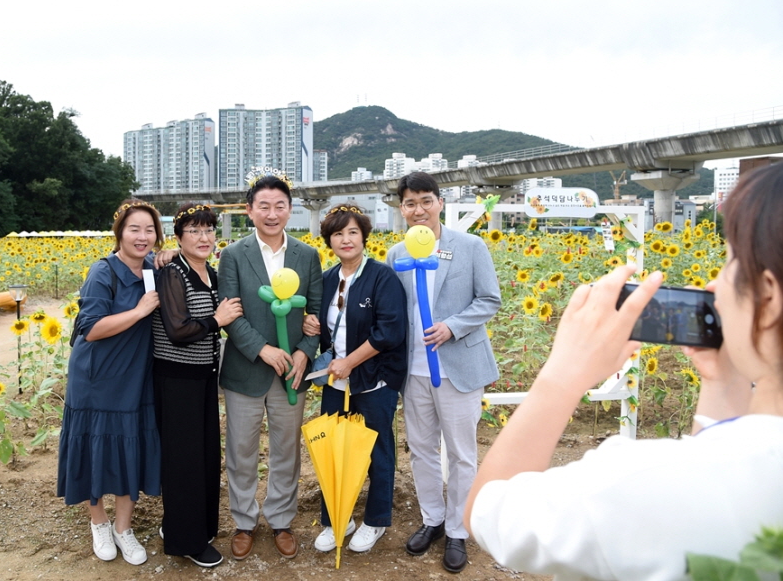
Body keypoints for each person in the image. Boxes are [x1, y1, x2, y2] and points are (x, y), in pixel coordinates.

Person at [465, 162, 783, 580]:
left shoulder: (640, 487)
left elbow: (489, 509)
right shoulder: (724, 476)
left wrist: (563, 375)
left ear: (767, 296)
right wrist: (725, 381)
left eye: (729, 261)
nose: (716, 286)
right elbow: (728, 465)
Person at [385, 171, 501, 574]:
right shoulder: (396, 253)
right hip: (413, 372)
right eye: (410, 203)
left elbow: (490, 299)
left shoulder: (469, 246)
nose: (419, 210)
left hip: (458, 367)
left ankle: (458, 530)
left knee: (462, 453)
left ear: (440, 203)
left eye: (426, 201)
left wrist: (453, 325)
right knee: (421, 449)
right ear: (402, 209)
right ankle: (432, 519)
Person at [218, 173, 323, 561]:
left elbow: (315, 312)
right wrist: (262, 349)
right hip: (246, 370)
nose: (272, 213)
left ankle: (280, 518)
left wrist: (303, 352)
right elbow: (229, 313)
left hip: (291, 372)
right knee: (241, 449)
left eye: (280, 206)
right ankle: (244, 521)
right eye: (263, 206)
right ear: (249, 210)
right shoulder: (233, 255)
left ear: (290, 210)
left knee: (286, 449)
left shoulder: (307, 255)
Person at [57, 200, 163, 566]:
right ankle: (98, 522)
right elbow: (91, 328)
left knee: (129, 449)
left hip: (135, 377)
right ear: (119, 232)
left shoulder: (153, 268)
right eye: (134, 229)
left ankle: (123, 528)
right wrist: (138, 311)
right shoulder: (103, 271)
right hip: (97, 377)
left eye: (149, 230)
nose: (142, 236)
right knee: (96, 451)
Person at [302, 204, 408, 554]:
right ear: (329, 240)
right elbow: (324, 325)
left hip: (373, 379)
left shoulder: (382, 277)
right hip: (336, 380)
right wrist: (312, 327)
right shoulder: (329, 278)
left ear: (363, 236)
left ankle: (375, 521)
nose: (345, 239)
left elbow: (388, 332)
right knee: (334, 450)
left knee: (377, 451)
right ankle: (337, 518)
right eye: (337, 233)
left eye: (352, 232)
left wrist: (351, 361)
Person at [152, 203, 243, 568]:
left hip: (203, 379)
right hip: (176, 380)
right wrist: (215, 320)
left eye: (209, 230)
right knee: (184, 461)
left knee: (204, 455)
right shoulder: (173, 272)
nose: (204, 237)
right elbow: (177, 330)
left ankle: (194, 525)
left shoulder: (211, 274)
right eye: (194, 231)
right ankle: (185, 540)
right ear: (178, 238)